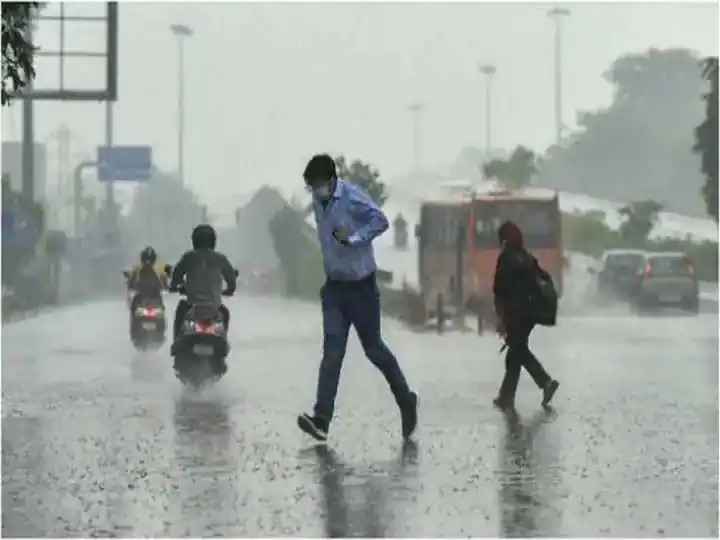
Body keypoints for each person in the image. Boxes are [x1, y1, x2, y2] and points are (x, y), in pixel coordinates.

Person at [296, 153, 418, 443]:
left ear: (330, 180)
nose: (315, 191)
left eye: (317, 185)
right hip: (334, 288)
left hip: (361, 287)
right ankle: (322, 420)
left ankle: (406, 400)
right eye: (311, 186)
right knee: (332, 354)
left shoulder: (352, 197)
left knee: (374, 350)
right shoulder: (318, 200)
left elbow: (381, 221)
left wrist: (353, 239)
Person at [492, 220, 559, 411]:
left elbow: (499, 289)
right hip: (530, 313)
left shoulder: (506, 258)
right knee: (514, 354)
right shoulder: (526, 257)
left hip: (515, 314)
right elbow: (543, 277)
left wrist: (500, 316)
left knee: (519, 351)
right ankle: (505, 397)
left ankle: (546, 381)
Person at [168, 224, 237, 362]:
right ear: (213, 241)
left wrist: (176, 287)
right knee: (225, 313)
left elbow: (176, 277)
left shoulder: (188, 258)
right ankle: (222, 348)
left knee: (180, 310)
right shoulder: (221, 259)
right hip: (214, 309)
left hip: (191, 307)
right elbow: (231, 281)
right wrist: (228, 290)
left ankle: (176, 346)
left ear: (194, 240)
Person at [126, 246, 167, 314]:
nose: (148, 262)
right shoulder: (160, 268)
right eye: (146, 259)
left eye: (149, 259)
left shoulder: (138, 269)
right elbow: (165, 284)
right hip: (150, 297)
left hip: (148, 297)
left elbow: (165, 283)